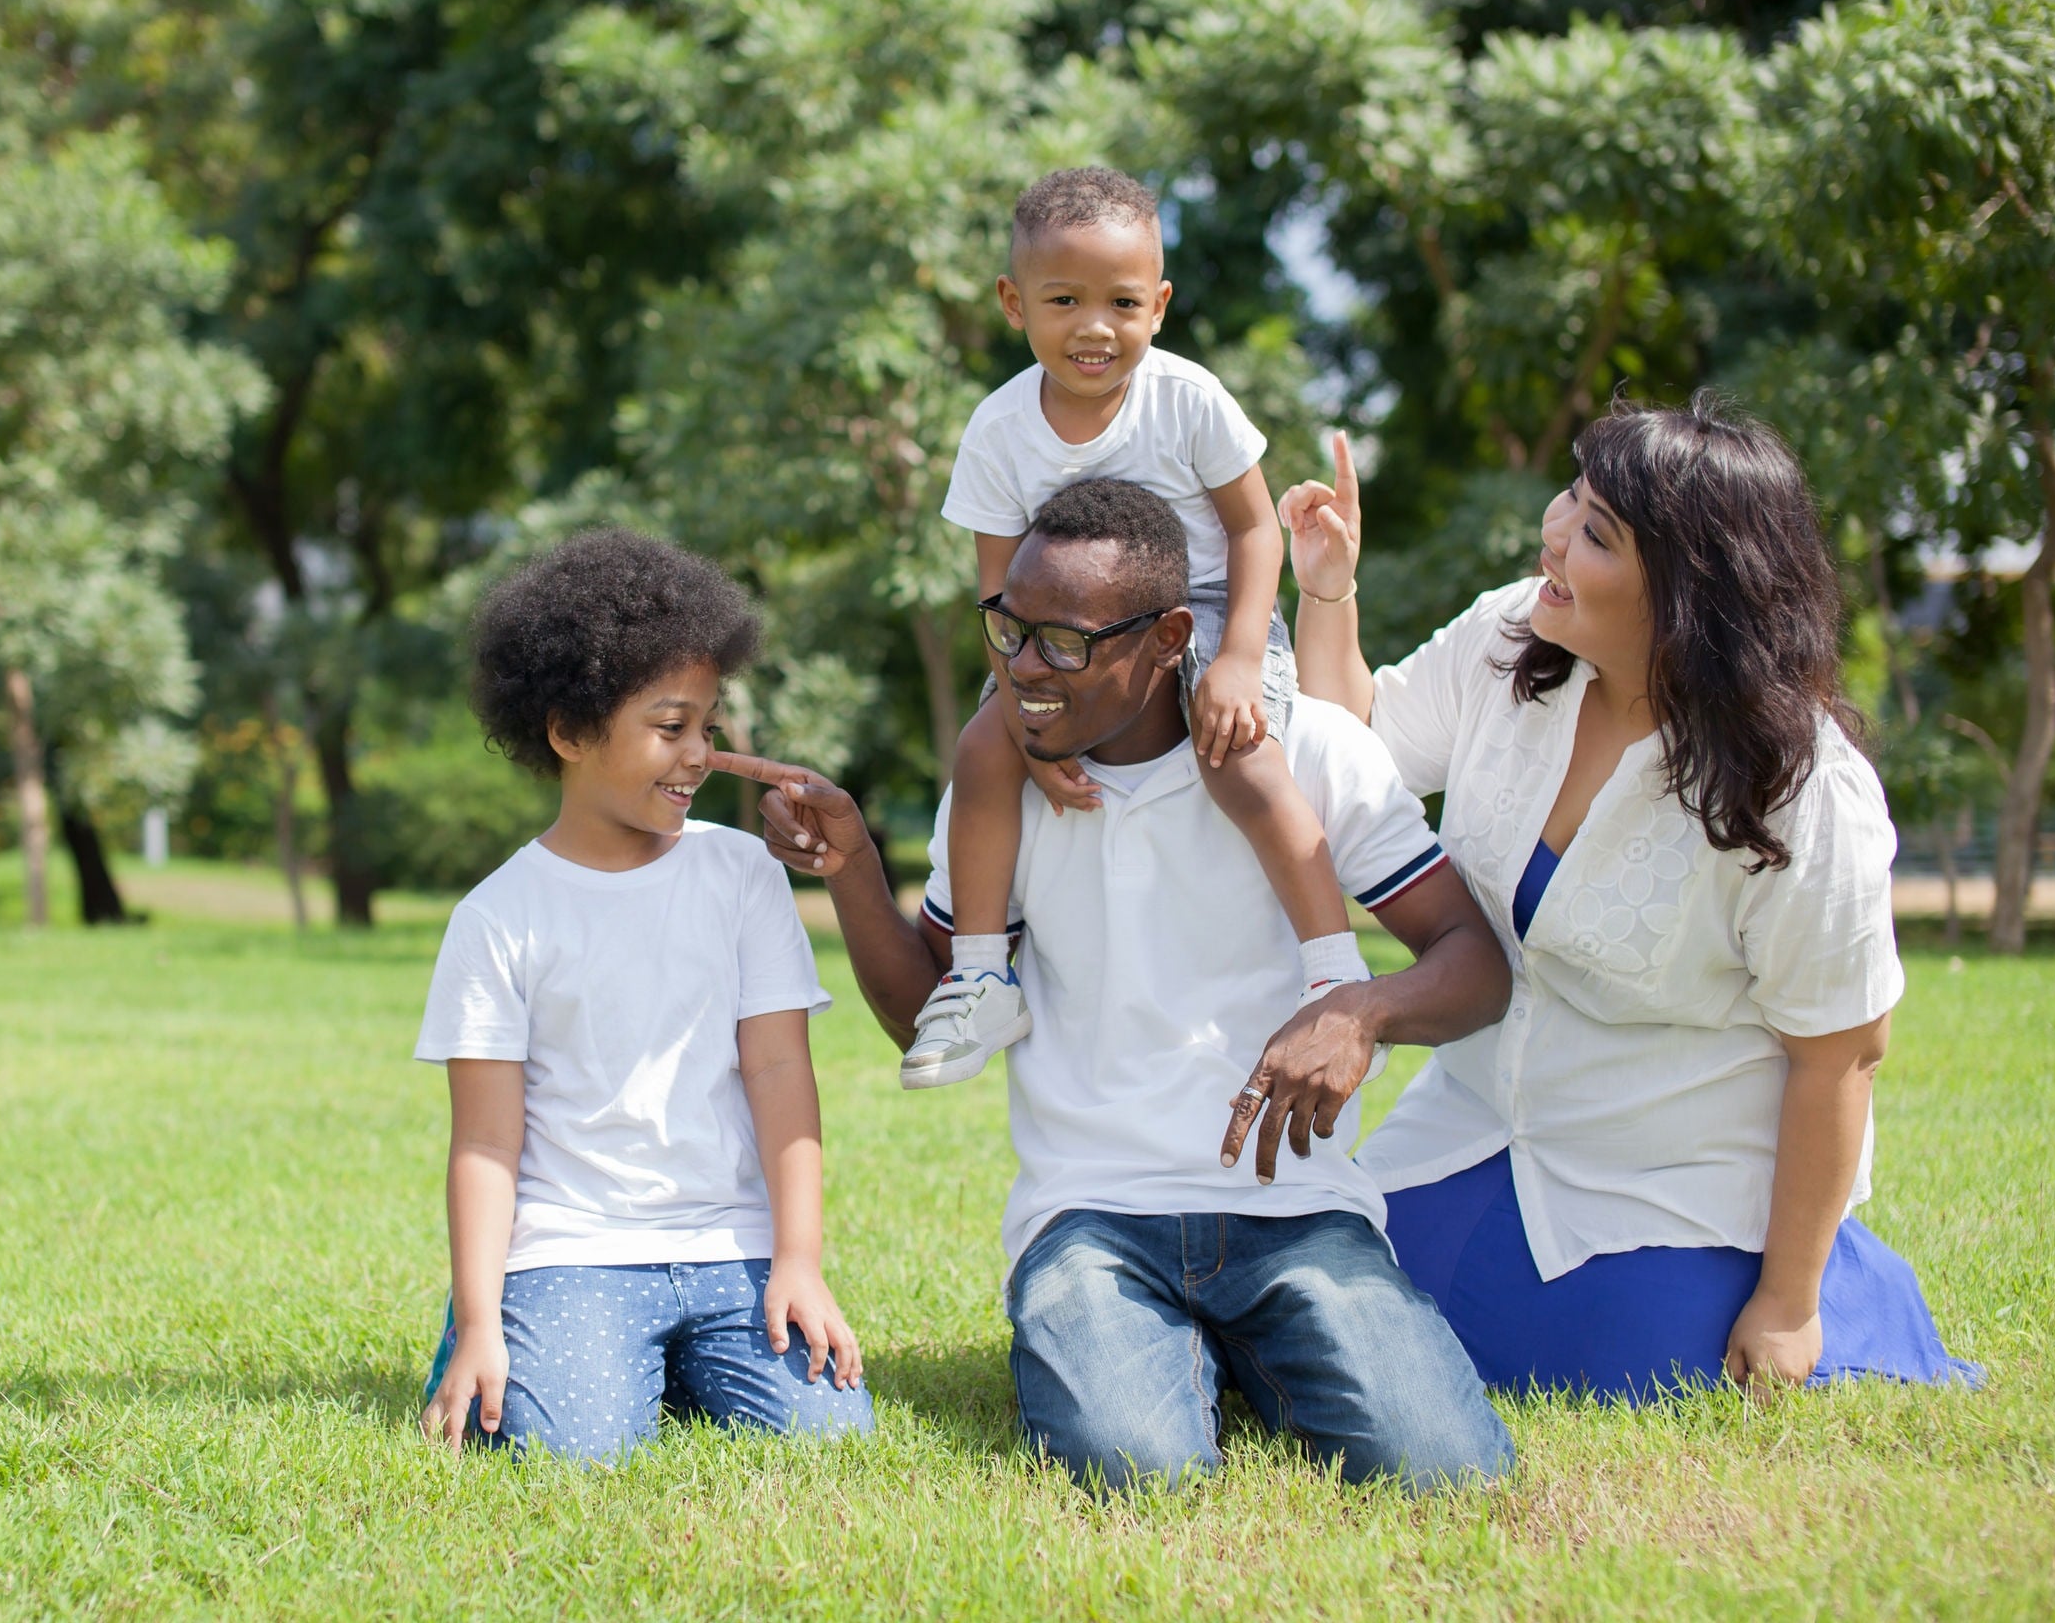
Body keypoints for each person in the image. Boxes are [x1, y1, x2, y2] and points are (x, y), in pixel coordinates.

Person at [717, 479, 1517, 1493]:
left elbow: (1474, 961)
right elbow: (934, 1013)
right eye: (1009, 632)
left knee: (1445, 1471)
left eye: (1065, 644)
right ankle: (1183, 1350)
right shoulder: (999, 787)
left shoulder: (1311, 747)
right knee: (1137, 1470)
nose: (1022, 673)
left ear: (1169, 635)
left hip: (1301, 1211)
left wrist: (1363, 1007)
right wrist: (855, 871)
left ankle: (1246, 1346)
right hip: (1090, 1216)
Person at [1285, 395, 1976, 1401]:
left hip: (1670, 1185)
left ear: (1691, 593)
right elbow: (1352, 745)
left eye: (1597, 532)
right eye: (1572, 494)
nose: (1553, 533)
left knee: (1616, 1370)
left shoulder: (1801, 791)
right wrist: (1330, 592)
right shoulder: (1509, 638)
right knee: (1327, 1322)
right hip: (1471, 1132)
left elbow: (1841, 1055)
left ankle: (1829, 1293)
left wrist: (1786, 1305)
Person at [903, 166, 1364, 1090]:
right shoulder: (998, 430)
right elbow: (999, 599)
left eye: (1121, 301)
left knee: (1239, 750)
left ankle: (1333, 972)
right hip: (1061, 639)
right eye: (1063, 299)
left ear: (1157, 305)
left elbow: (1250, 527)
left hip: (1201, 615)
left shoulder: (1185, 397)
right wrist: (1026, 723)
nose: (1094, 326)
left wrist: (1237, 657)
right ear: (1013, 302)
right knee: (983, 749)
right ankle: (984, 973)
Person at [415, 530, 872, 1462]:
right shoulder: (497, 917)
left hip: (732, 1249)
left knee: (830, 1439)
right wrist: (479, 1324)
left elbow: (780, 1070)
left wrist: (798, 1263)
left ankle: (663, 1361)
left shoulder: (742, 873)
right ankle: (534, 1336)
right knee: (568, 1451)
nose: (698, 753)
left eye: (707, 724)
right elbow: (486, 1141)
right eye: (671, 728)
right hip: (571, 1250)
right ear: (570, 732)